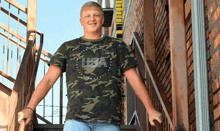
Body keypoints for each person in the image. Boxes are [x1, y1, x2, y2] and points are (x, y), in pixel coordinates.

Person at [18, 1, 162, 131]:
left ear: (102, 19)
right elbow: (49, 79)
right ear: (81, 21)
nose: (92, 19)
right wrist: (30, 108)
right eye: (87, 16)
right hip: (76, 119)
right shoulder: (68, 48)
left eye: (96, 15)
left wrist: (150, 110)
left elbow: (134, 79)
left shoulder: (117, 46)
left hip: (108, 120)